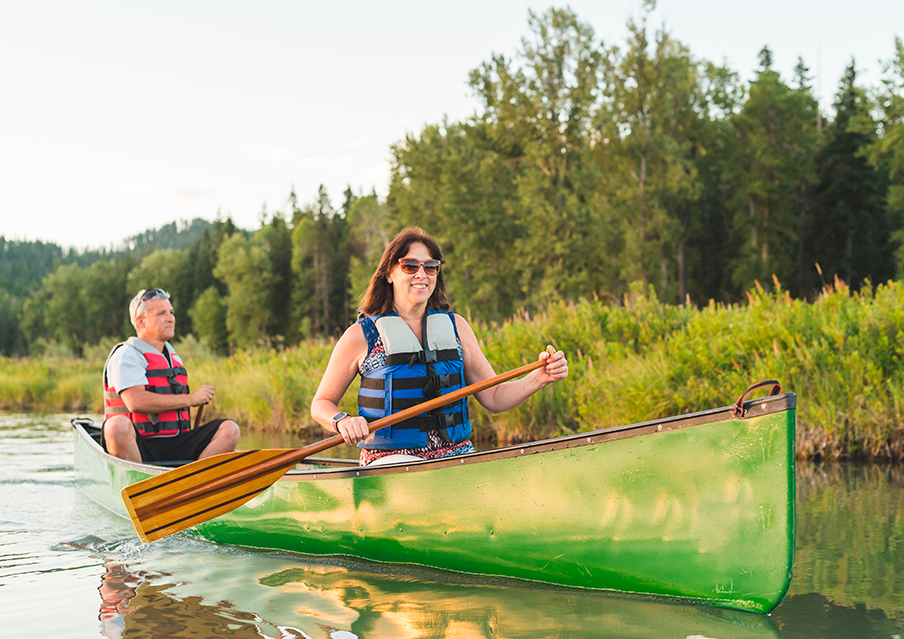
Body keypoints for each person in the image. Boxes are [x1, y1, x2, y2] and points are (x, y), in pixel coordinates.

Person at [311, 227, 568, 466]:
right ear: (389, 273)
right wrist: (341, 420)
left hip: (457, 459)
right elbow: (321, 403)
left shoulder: (457, 327)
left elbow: (494, 395)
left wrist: (540, 378)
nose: (421, 274)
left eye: (431, 267)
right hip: (392, 462)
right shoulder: (361, 335)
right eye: (410, 266)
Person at [101, 288, 240, 463]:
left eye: (171, 312)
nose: (170, 318)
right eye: (161, 313)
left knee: (230, 429)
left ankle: (194, 484)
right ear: (141, 322)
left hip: (176, 443)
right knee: (116, 426)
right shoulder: (127, 355)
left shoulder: (171, 357)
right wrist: (190, 399)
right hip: (140, 446)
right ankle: (139, 483)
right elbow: (135, 402)